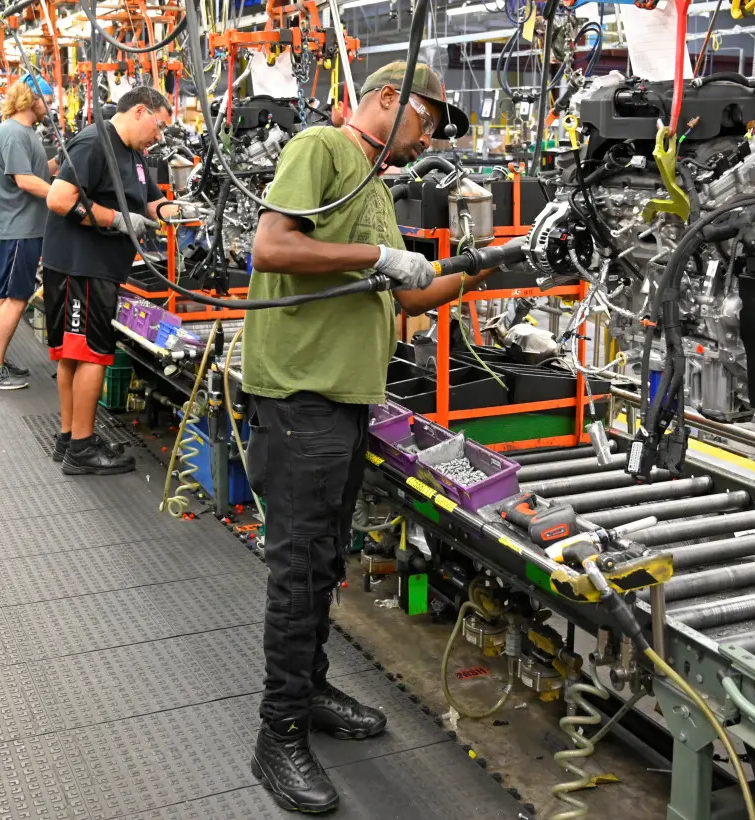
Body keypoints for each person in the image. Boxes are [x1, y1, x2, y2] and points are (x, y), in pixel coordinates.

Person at [243, 61, 494, 814]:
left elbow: (412, 291)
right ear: (386, 98)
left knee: (324, 562)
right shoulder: (323, 147)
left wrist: (485, 268)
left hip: (345, 399)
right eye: (425, 122)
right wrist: (374, 256)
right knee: (297, 568)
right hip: (299, 394)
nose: (427, 142)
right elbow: (273, 247)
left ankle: (310, 692)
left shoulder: (375, 184)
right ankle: (277, 733)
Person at [43, 86, 182, 474]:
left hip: (98, 266)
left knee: (77, 352)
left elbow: (150, 202)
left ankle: (71, 437)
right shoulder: (95, 142)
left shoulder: (134, 154)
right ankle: (82, 450)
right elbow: (59, 198)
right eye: (158, 126)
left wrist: (181, 212)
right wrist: (116, 220)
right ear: (140, 111)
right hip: (80, 266)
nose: (159, 136)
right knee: (90, 354)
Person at [0, 76, 58, 390]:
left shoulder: (24, 133)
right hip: (17, 229)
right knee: (15, 299)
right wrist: (59, 196)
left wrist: (59, 161)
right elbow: (25, 180)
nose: (49, 107)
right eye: (47, 100)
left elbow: (35, 172)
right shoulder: (12, 133)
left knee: (4, 298)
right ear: (31, 98)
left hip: (21, 227)